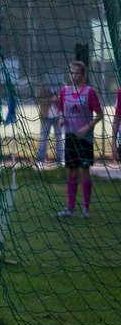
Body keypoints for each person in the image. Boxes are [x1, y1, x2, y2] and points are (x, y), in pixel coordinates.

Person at [55, 60, 103, 218]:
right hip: (69, 137)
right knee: (71, 172)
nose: (73, 76)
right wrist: (61, 118)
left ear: (83, 74)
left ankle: (86, 209)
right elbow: (61, 109)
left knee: (84, 172)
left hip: (85, 138)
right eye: (71, 72)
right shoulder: (64, 91)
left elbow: (100, 114)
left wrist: (87, 127)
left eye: (76, 73)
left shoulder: (90, 92)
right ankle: (70, 208)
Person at [35, 76, 62, 167]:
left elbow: (66, 99)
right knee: (43, 139)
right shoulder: (42, 87)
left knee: (60, 139)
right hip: (46, 117)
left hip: (59, 117)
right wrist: (50, 100)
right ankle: (41, 160)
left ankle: (60, 160)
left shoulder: (62, 86)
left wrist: (58, 99)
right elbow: (38, 100)